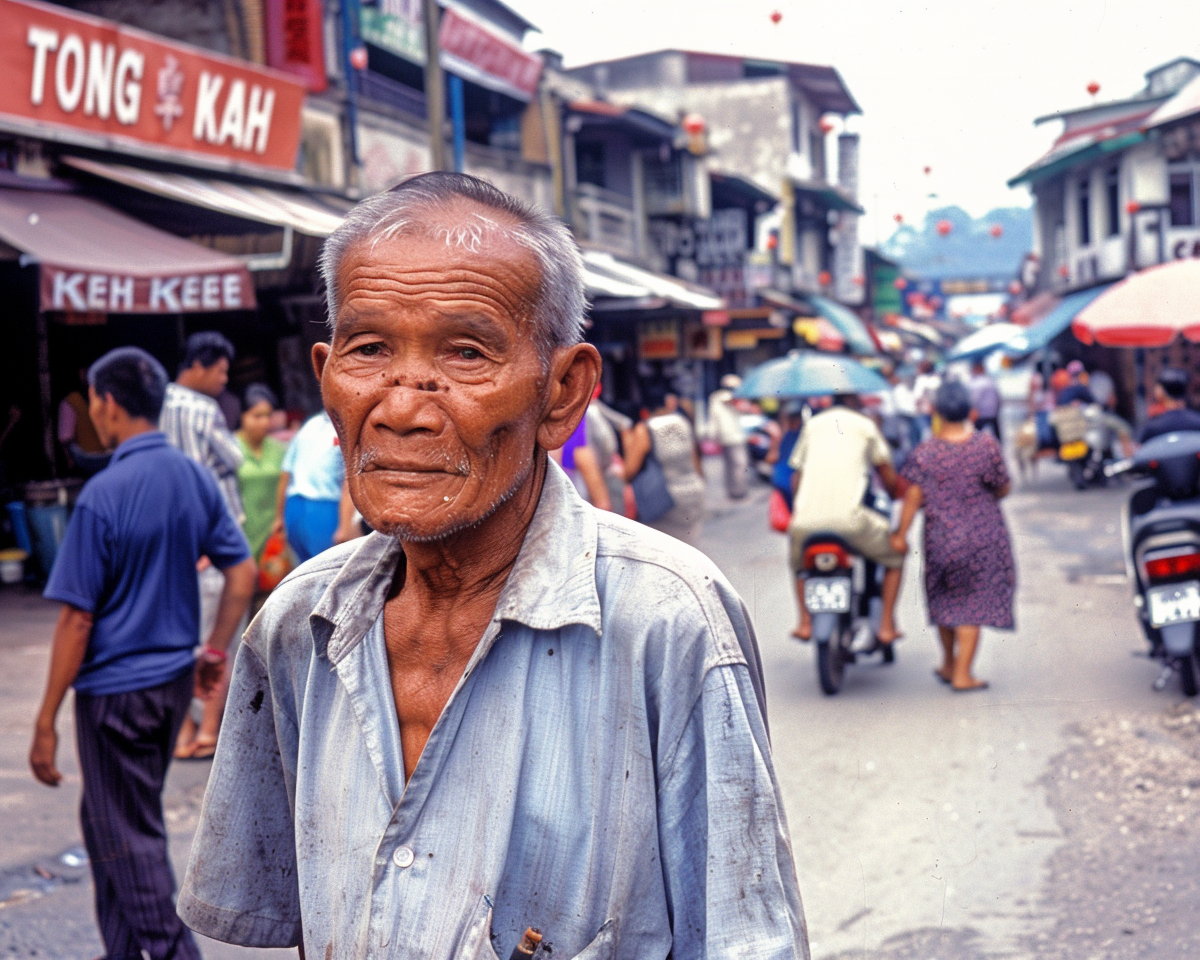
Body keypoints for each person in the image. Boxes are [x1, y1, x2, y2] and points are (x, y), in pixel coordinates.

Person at [177, 172, 808, 958]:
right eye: (368, 349)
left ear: (563, 395)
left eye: (467, 353)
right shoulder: (298, 626)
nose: (402, 407)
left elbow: (748, 940)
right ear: (326, 377)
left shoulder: (669, 621)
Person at [29, 347, 255, 960]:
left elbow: (78, 619)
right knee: (111, 822)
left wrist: (46, 719)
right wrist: (213, 649)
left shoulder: (105, 493)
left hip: (114, 696)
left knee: (127, 835)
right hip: (171, 684)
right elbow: (242, 570)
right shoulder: (191, 476)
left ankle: (171, 951)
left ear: (106, 403)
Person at [893, 380, 1015, 692]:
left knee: (945, 601)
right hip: (983, 537)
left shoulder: (926, 452)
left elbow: (913, 496)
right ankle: (963, 673)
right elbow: (1002, 487)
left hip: (941, 539)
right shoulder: (985, 446)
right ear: (969, 410)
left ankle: (949, 662)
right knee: (972, 605)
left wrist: (901, 534)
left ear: (935, 411)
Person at [788, 393, 905, 644]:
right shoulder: (866, 425)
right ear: (856, 402)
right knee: (895, 556)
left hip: (805, 523)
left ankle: (805, 623)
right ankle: (886, 626)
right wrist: (895, 493)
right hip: (852, 521)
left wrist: (800, 507)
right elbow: (885, 470)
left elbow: (796, 476)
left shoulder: (813, 425)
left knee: (799, 567)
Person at [160, 331, 244, 522]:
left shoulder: (158, 403)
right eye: (221, 371)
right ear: (198, 367)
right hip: (213, 515)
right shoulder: (205, 409)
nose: (225, 379)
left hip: (174, 513)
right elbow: (235, 457)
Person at [623, 387, 707, 545]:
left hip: (666, 498)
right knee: (691, 544)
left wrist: (628, 441)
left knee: (668, 548)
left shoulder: (645, 429)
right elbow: (695, 459)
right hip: (694, 490)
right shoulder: (683, 421)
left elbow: (629, 471)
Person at [277, 409, 351, 562]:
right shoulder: (315, 424)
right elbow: (286, 472)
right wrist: (279, 516)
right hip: (308, 508)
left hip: (312, 507)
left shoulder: (314, 425)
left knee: (316, 570)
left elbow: (350, 479)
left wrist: (345, 525)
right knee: (313, 571)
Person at [235, 384, 288, 563]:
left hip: (273, 530)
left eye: (268, 416)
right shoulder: (230, 449)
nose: (265, 422)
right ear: (242, 416)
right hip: (243, 530)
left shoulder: (278, 449)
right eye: (257, 416)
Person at [58, 365, 111, 475]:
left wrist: (69, 460)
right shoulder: (73, 401)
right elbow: (66, 439)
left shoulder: (71, 401)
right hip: (96, 463)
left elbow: (65, 438)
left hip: (91, 464)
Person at [706, 374, 750, 499]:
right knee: (739, 464)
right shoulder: (723, 397)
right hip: (732, 436)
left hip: (731, 435)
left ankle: (734, 490)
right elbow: (715, 415)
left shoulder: (718, 398)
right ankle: (738, 491)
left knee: (732, 465)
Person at [969, 361, 1003, 444]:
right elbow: (998, 397)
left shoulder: (976, 383)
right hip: (993, 413)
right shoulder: (991, 381)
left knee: (976, 436)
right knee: (996, 434)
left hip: (981, 414)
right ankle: (998, 448)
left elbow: (974, 400)